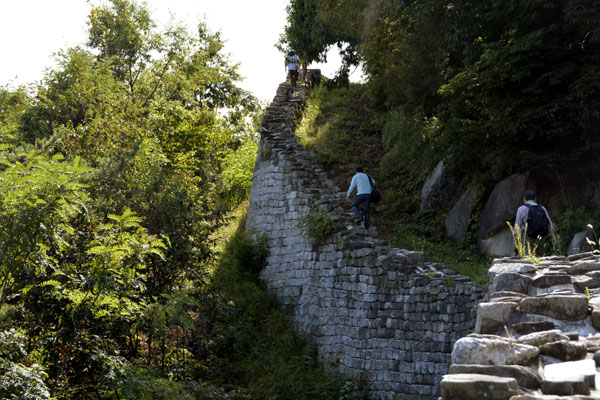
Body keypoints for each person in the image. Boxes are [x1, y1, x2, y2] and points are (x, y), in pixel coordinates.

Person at [515, 190, 557, 256]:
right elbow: (549, 222)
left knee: (528, 257)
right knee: (540, 257)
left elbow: (517, 225)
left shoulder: (521, 209)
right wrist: (552, 235)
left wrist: (517, 239)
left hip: (528, 237)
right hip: (541, 236)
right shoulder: (542, 208)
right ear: (535, 199)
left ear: (524, 199)